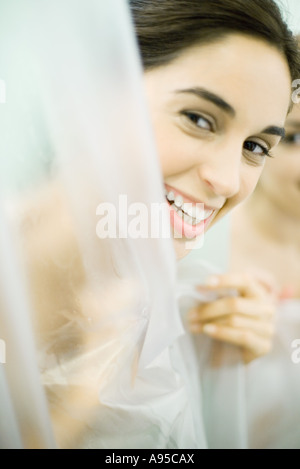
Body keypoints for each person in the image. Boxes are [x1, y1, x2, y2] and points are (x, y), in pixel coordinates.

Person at [8, 0, 300, 449]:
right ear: (91, 91)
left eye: (256, 146)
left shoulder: (176, 308)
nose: (226, 180)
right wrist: (69, 416)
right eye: (199, 119)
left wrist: (224, 366)